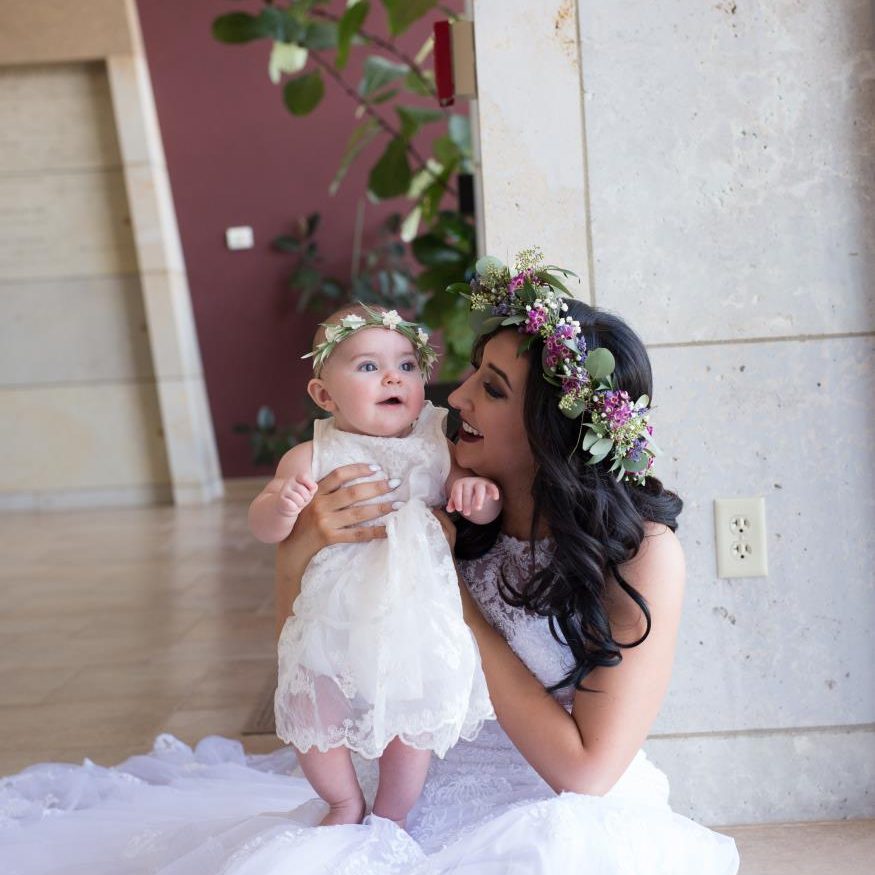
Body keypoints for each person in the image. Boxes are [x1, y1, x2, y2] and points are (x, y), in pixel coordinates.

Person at [0, 250, 739, 874]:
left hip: (539, 817)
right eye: (472, 371)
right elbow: (307, 641)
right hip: (396, 779)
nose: (455, 396)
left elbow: (583, 771)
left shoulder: (640, 554)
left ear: (549, 427)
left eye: (492, 387)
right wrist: (304, 544)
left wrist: (442, 583)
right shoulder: (418, 478)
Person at [248, 303, 498, 828]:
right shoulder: (312, 454)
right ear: (323, 394)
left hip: (409, 620)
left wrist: (477, 494)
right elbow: (265, 525)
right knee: (314, 712)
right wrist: (281, 506)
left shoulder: (437, 442)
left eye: (407, 366)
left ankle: (393, 814)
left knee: (411, 726)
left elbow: (473, 500)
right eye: (368, 367)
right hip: (330, 622)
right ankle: (342, 800)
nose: (392, 377)